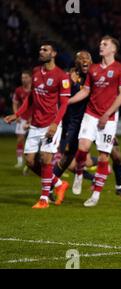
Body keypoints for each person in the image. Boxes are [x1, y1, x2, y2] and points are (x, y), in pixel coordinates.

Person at [3, 40, 70, 208]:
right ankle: (58, 184)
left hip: (51, 124)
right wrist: (17, 114)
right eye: (40, 49)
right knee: (30, 161)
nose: (41, 51)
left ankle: (44, 199)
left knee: (46, 159)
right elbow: (31, 98)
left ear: (53, 54)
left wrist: (55, 124)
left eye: (45, 49)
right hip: (35, 124)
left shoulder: (62, 76)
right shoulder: (35, 72)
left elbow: (64, 104)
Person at [69, 35, 121, 207]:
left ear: (113, 49)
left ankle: (95, 195)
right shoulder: (93, 69)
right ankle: (80, 173)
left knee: (104, 157)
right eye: (100, 43)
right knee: (83, 148)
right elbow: (85, 91)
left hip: (109, 118)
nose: (101, 46)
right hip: (91, 114)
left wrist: (107, 114)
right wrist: (67, 100)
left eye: (105, 44)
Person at [11, 70, 32, 169]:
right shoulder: (18, 90)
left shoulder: (35, 89)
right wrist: (16, 115)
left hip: (35, 118)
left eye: (26, 77)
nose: (23, 80)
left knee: (35, 141)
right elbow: (15, 103)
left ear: (30, 78)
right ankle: (20, 161)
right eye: (22, 78)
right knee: (20, 139)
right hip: (22, 118)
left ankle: (32, 162)